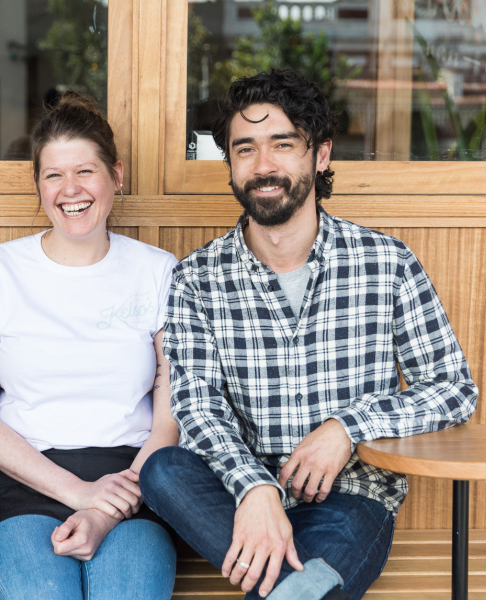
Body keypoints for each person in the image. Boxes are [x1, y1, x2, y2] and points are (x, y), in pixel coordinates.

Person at [140, 70, 478, 600]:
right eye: (245, 149)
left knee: (304, 587)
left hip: (350, 497)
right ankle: (301, 582)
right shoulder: (196, 278)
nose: (263, 165)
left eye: (283, 144)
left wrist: (347, 427)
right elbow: (197, 406)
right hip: (237, 492)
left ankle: (296, 582)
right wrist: (254, 488)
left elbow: (454, 388)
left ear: (320, 155)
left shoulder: (384, 263)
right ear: (229, 163)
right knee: (162, 470)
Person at [0, 92, 179, 600]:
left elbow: (172, 403)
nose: (70, 190)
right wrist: (79, 493)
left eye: (85, 171)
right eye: (53, 175)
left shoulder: (157, 270)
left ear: (116, 175)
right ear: (37, 186)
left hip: (134, 479)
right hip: (24, 479)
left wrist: (113, 498)